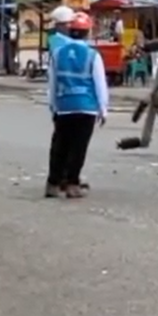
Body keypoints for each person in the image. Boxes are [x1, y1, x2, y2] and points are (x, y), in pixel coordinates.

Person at [46, 12, 107, 199]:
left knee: (60, 146)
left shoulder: (57, 54)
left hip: (64, 106)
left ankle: (53, 183)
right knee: (78, 147)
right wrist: (103, 109)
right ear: (87, 33)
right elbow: (100, 83)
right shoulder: (92, 55)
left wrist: (53, 106)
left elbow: (52, 83)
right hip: (86, 107)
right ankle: (72, 183)